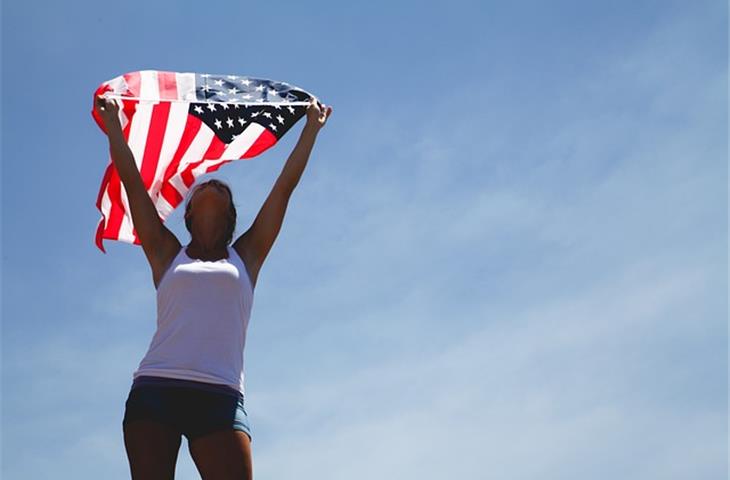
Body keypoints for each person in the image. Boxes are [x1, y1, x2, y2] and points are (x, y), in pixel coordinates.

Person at [94, 93, 332, 480]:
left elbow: (284, 187)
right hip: (157, 387)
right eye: (205, 186)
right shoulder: (166, 252)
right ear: (187, 213)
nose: (214, 184)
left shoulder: (248, 255)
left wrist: (311, 129)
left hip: (220, 395)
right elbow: (135, 187)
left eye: (223, 188)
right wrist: (115, 129)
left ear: (231, 213)